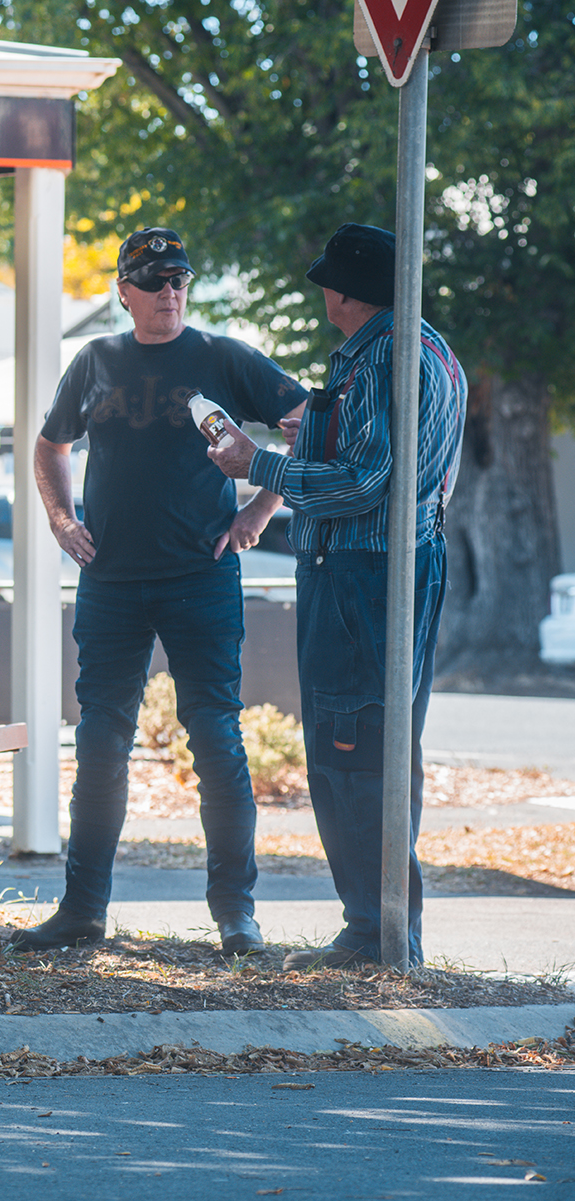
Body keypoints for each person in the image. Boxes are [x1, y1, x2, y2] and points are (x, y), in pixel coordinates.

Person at [15, 227, 308, 956]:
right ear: (125, 292)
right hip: (110, 581)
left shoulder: (221, 356)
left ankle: (236, 915)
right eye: (153, 281)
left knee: (215, 737)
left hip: (200, 577)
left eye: (178, 278)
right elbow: (49, 444)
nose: (169, 292)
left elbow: (305, 422)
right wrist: (60, 518)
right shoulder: (96, 360)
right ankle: (82, 909)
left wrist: (257, 508)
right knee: (100, 742)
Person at [206, 223, 466, 970]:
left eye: (329, 281)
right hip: (409, 561)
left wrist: (260, 464)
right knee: (386, 748)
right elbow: (409, 469)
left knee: (349, 748)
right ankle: (388, 928)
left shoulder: (382, 353)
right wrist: (314, 431)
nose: (322, 290)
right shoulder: (433, 348)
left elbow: (365, 482)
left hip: (360, 571)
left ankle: (372, 932)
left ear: (350, 292)